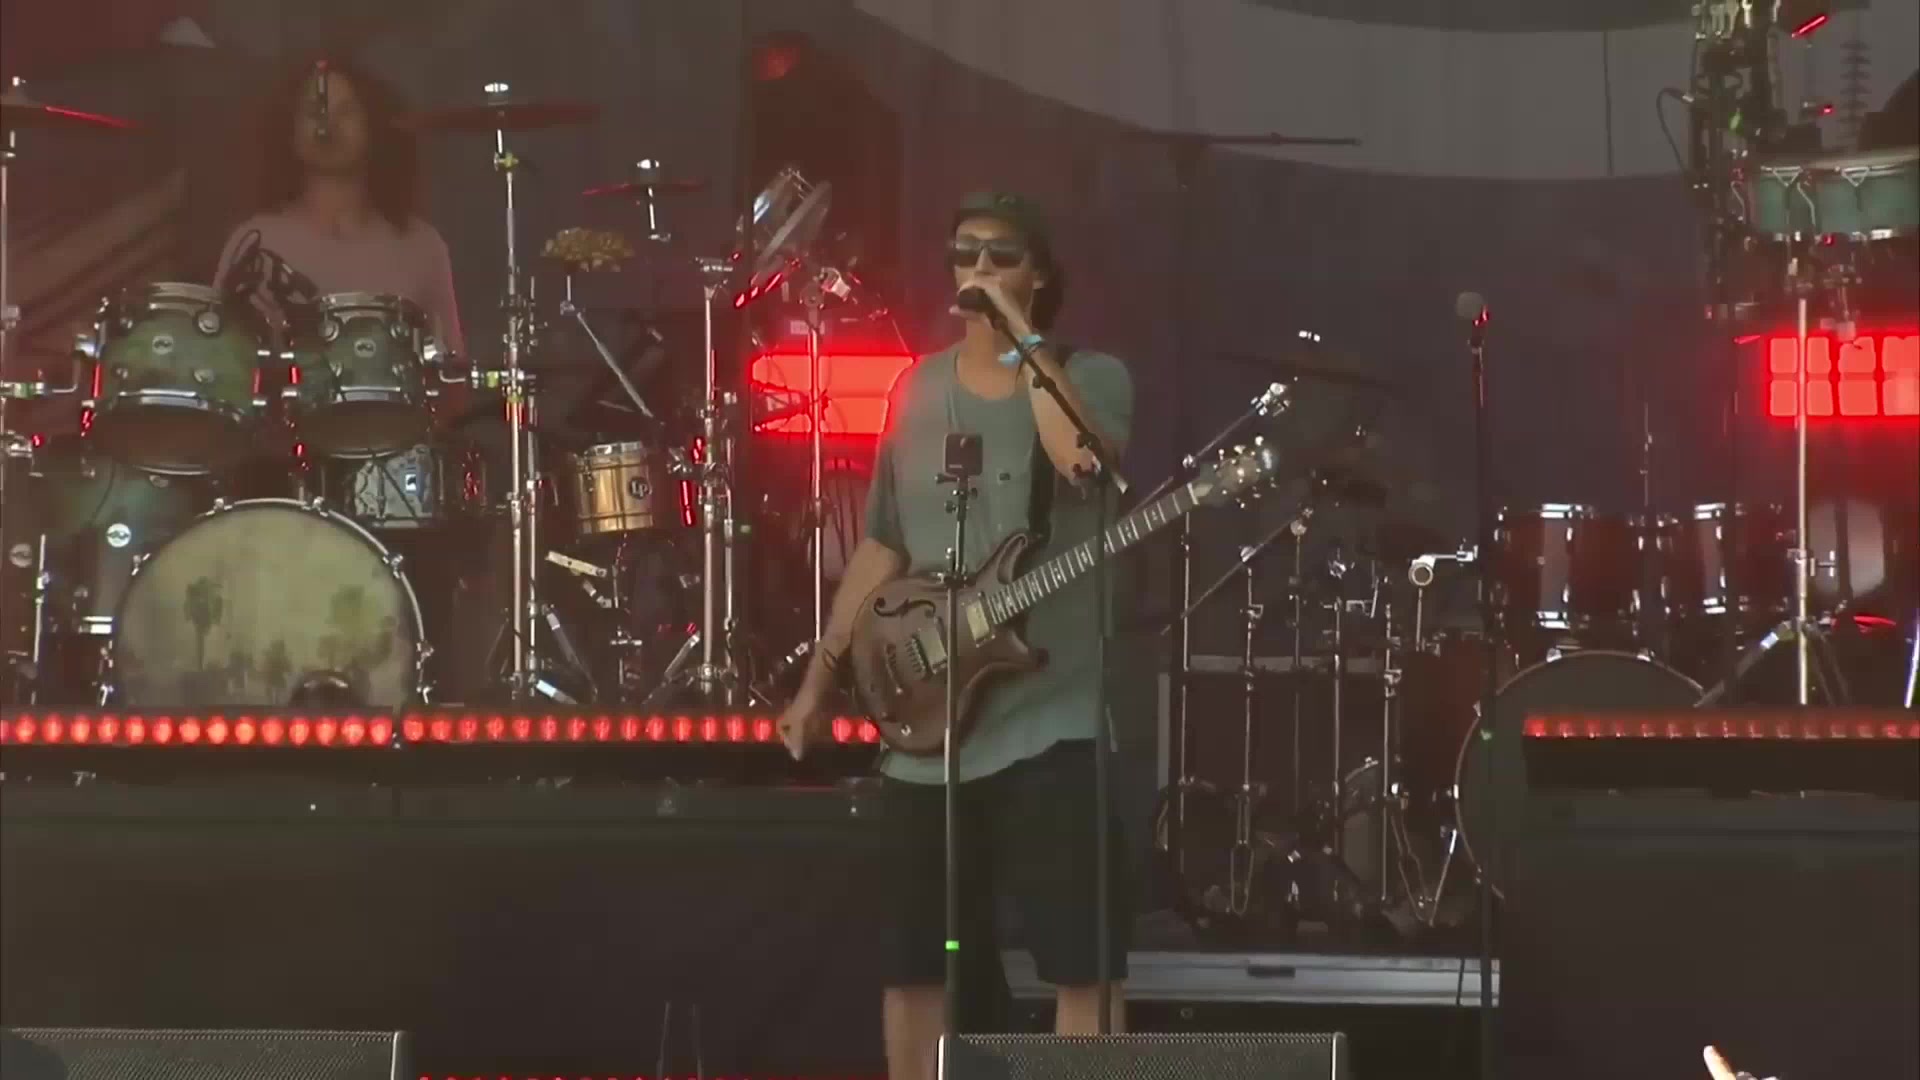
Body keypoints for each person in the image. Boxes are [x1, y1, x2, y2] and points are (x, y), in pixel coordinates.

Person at [776, 192, 1134, 1080]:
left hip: (1048, 719)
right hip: (924, 726)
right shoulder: (917, 388)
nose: (978, 268)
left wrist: (1021, 336)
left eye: (1001, 254)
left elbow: (1080, 459)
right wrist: (819, 683)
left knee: (1081, 963)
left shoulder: (1092, 376)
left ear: (1039, 273)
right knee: (914, 963)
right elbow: (882, 545)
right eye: (965, 252)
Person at [214, 56, 463, 358]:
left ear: (374, 126)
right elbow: (221, 364)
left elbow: (452, 368)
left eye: (346, 111)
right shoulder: (255, 243)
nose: (327, 124)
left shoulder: (422, 246)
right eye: (313, 112)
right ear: (289, 131)